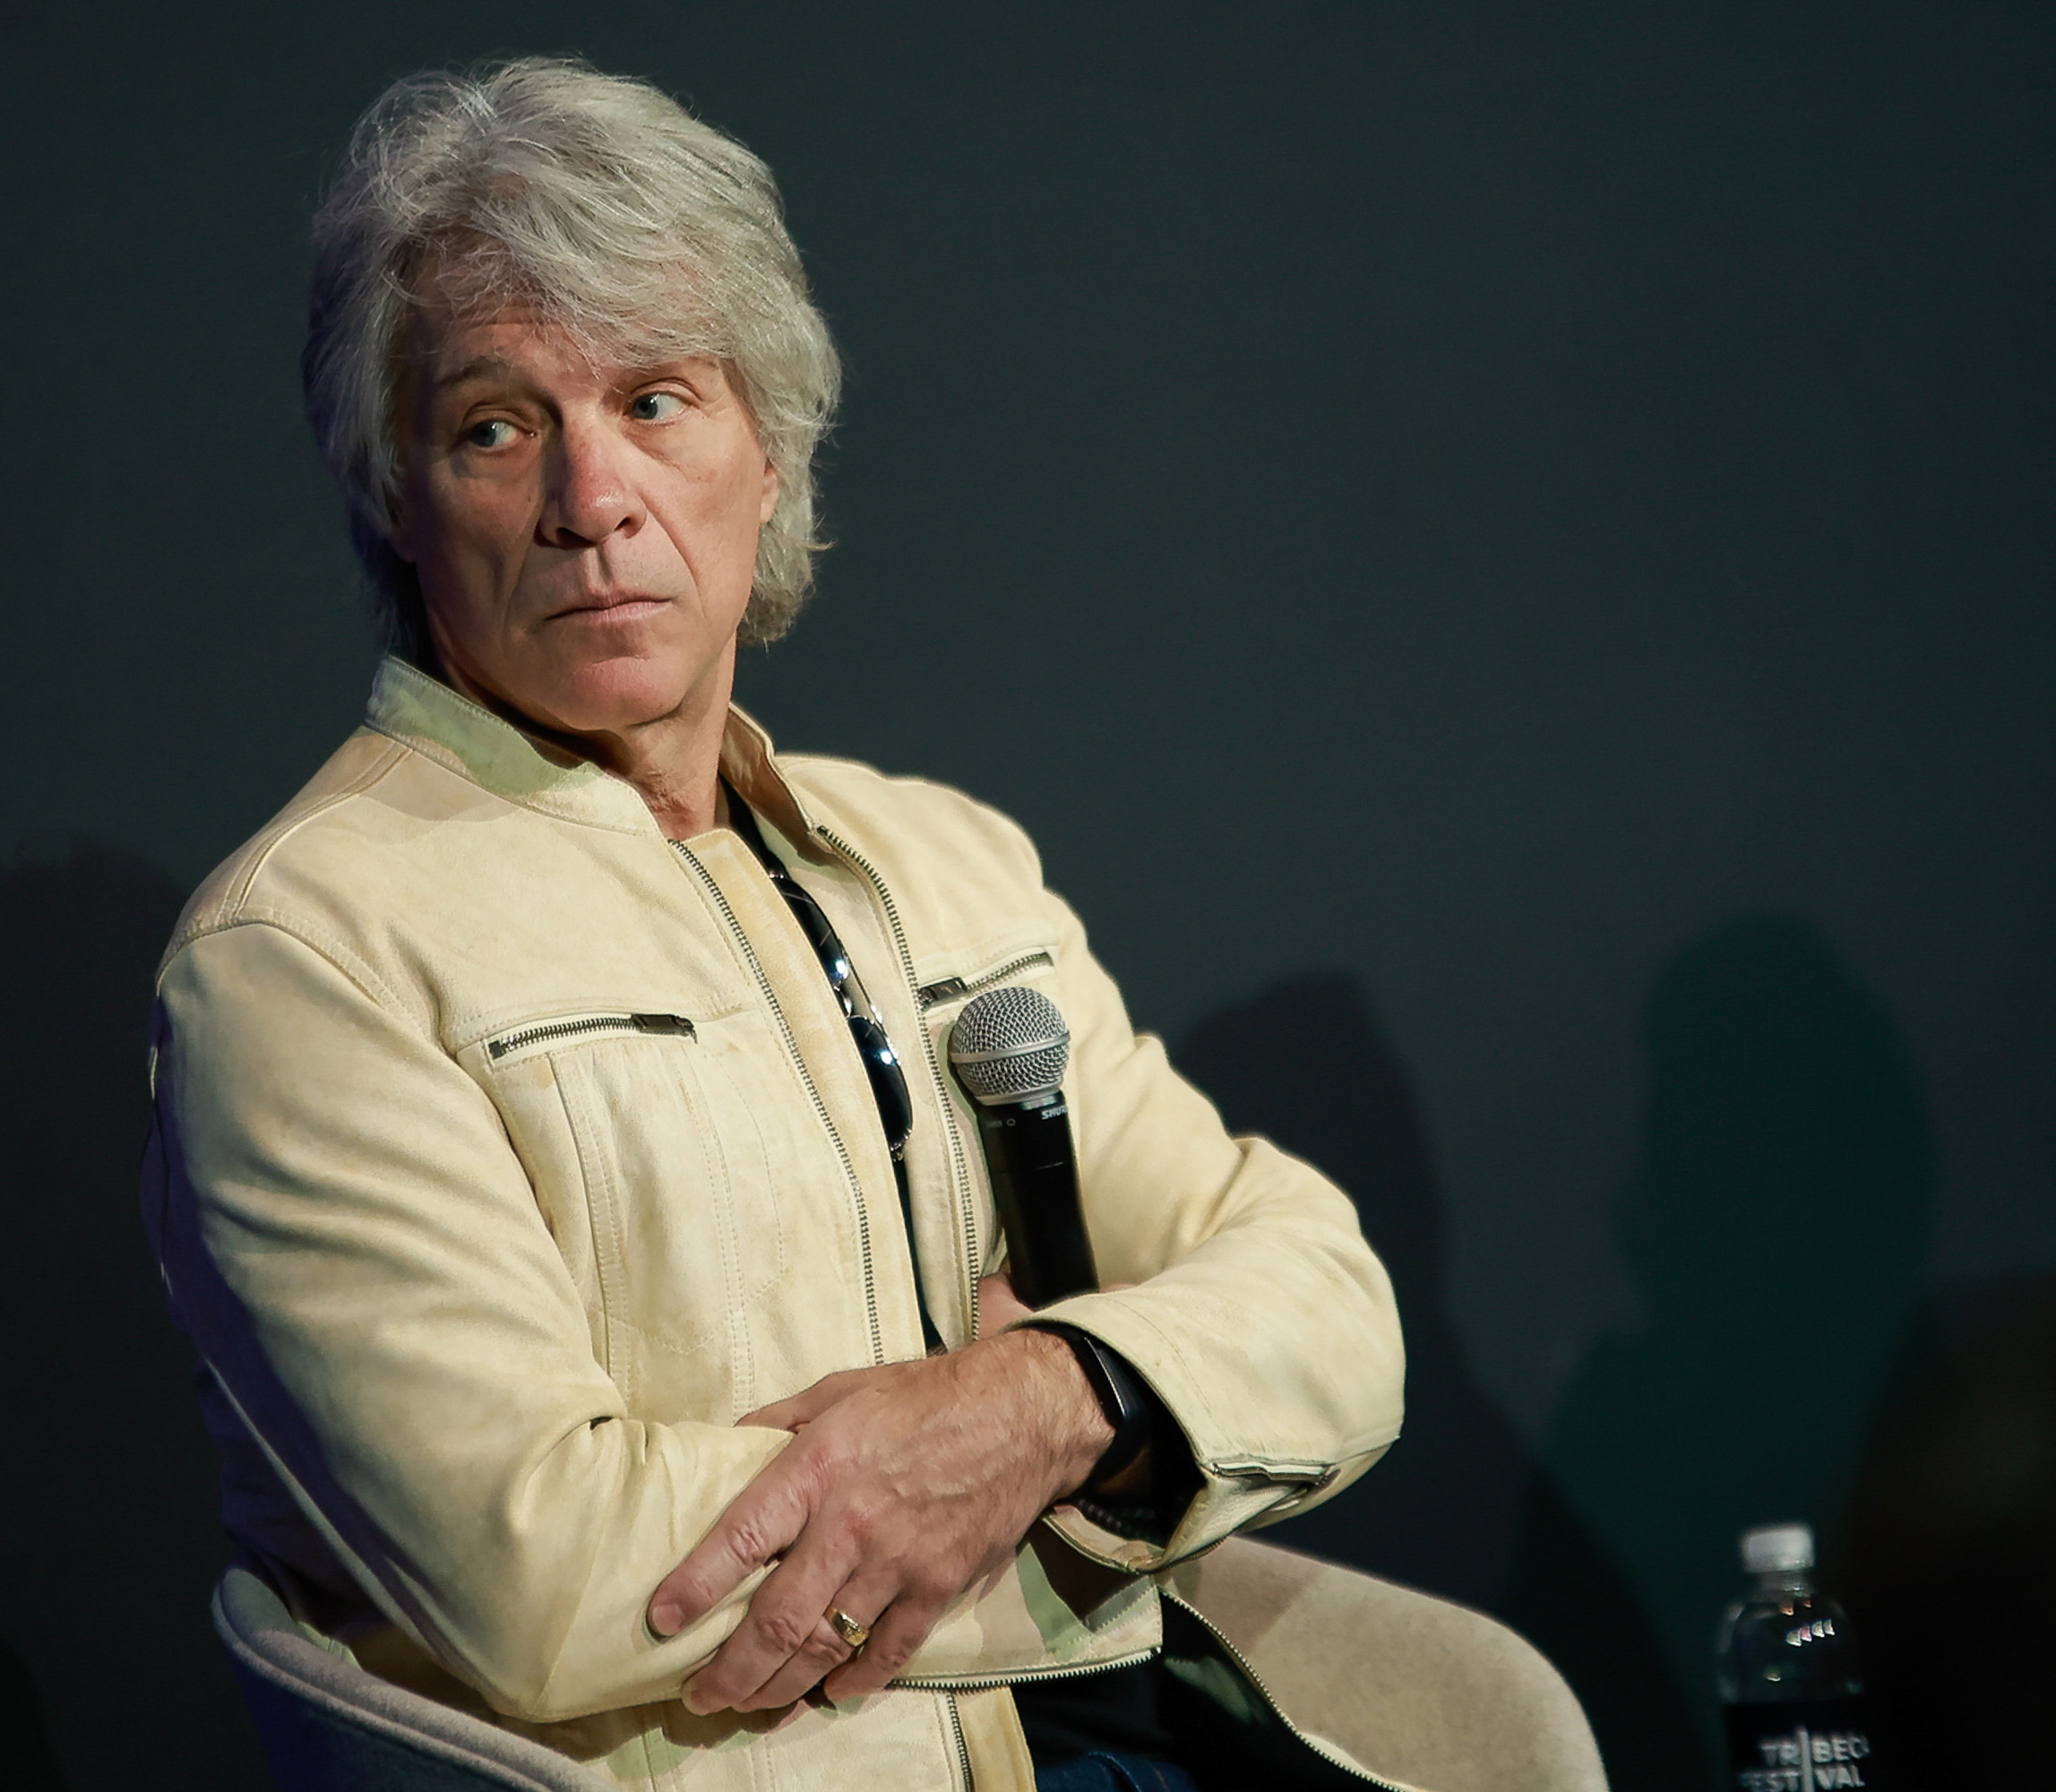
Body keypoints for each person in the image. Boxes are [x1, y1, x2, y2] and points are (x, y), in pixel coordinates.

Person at [142, 58, 1404, 1791]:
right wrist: (1098, 1461)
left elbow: (1327, 1305)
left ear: (770, 452)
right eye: (497, 426)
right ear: (396, 494)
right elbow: (551, 1568)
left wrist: (1034, 1404)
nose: (594, 499)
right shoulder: (306, 955)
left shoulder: (944, 859)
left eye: (657, 400)